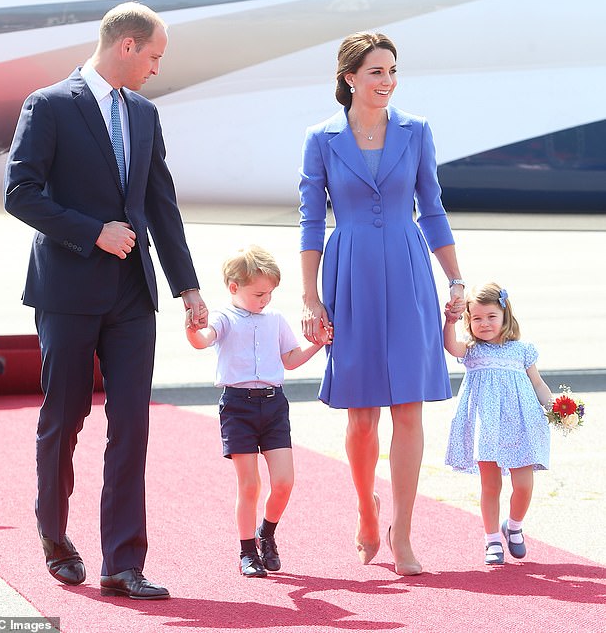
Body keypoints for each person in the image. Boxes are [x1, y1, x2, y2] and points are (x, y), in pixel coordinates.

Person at [3, 2, 208, 600]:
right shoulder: (49, 105)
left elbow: (160, 205)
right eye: (153, 56)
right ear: (126, 46)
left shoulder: (144, 114)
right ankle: (55, 536)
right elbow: (20, 193)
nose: (155, 68)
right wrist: (92, 230)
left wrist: (188, 288)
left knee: (132, 428)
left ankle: (123, 563)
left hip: (132, 294)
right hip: (67, 289)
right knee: (64, 419)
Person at [299, 31, 465, 576]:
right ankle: (366, 509)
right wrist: (310, 297)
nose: (387, 81)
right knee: (361, 414)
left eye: (392, 71)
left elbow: (433, 208)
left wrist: (456, 281)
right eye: (376, 71)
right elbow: (310, 222)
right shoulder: (321, 138)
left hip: (409, 270)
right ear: (349, 78)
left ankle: (405, 531)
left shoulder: (417, 131)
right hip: (350, 277)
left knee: (409, 407)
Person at [185, 244, 332, 577]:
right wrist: (192, 329)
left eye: (270, 294)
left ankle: (267, 532)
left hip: (274, 404)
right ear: (234, 288)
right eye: (259, 293)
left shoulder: (275, 320)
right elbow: (203, 340)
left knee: (284, 482)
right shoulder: (224, 318)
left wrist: (318, 343)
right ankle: (247, 551)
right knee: (249, 485)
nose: (265, 300)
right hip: (238, 407)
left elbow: (290, 360)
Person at [443, 282, 551, 566]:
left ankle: (513, 526)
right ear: (469, 321)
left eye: (491, 316)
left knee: (524, 486)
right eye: (476, 318)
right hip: (487, 427)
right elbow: (451, 345)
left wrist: (555, 407)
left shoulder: (523, 350)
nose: (484, 323)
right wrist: (449, 322)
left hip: (521, 426)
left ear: (505, 315)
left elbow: (537, 383)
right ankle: (491, 539)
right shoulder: (471, 350)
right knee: (490, 486)